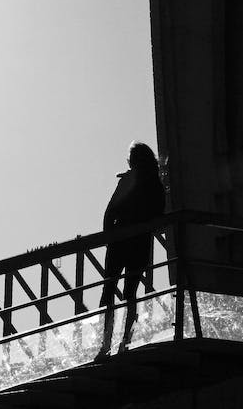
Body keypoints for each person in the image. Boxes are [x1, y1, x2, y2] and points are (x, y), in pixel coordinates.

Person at [97, 142, 166, 359]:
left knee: (108, 291)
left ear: (132, 160)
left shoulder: (128, 180)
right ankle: (125, 342)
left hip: (119, 242)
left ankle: (105, 345)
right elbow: (159, 216)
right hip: (140, 243)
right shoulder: (156, 184)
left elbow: (110, 212)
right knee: (130, 294)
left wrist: (109, 237)